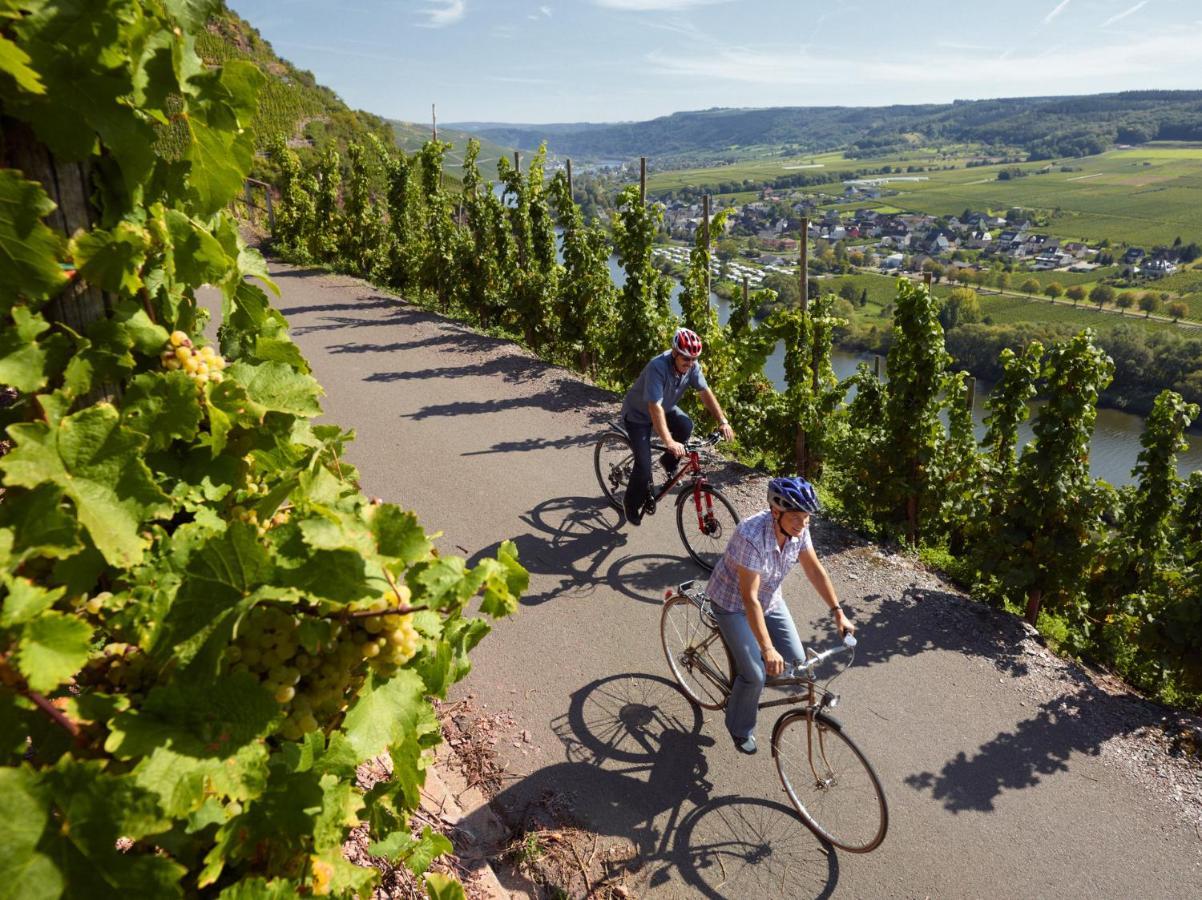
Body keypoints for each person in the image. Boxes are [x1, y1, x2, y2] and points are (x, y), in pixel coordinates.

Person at [703, 476, 854, 755]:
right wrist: (767, 648)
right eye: (796, 516)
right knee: (755, 675)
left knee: (797, 665)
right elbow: (749, 599)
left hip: (770, 600)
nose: (803, 522)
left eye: (806, 516)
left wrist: (838, 613)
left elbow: (814, 570)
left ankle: (745, 676)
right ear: (776, 512)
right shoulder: (751, 536)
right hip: (732, 603)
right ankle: (739, 726)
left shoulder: (799, 529)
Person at [619, 328, 735, 526]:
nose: (690, 364)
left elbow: (705, 392)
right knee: (644, 467)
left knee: (685, 425)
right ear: (674, 353)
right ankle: (629, 504)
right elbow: (654, 407)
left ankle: (669, 462)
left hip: (666, 407)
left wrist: (722, 420)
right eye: (686, 359)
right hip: (638, 416)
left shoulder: (692, 366)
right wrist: (669, 441)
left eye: (694, 359)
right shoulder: (657, 367)